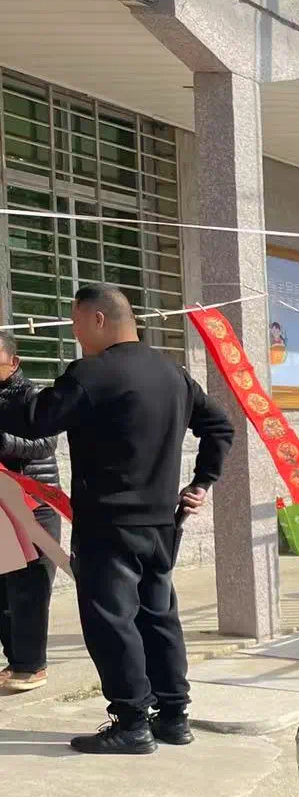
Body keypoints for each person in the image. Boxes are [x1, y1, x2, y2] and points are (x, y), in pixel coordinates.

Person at [0, 284, 234, 754]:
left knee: (111, 621)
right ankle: (174, 716)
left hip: (108, 524)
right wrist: (202, 482)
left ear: (99, 320)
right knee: (158, 615)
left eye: (75, 322)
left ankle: (131, 722)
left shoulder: (94, 373)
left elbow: (37, 418)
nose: (74, 332)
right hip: (160, 523)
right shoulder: (173, 373)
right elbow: (219, 425)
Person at [0, 333, 61, 692]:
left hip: (34, 504)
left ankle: (33, 665)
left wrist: (5, 442)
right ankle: (15, 662)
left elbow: (47, 443)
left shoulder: (32, 396)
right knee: (5, 590)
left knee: (31, 587)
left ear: (14, 362)